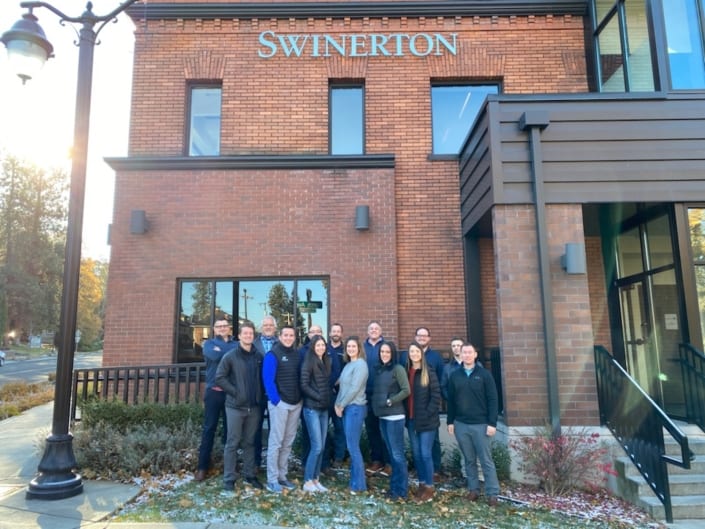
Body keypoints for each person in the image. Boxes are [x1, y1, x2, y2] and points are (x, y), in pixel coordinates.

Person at [446, 343, 500, 506]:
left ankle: (492, 493)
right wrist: (450, 421)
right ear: (460, 355)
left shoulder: (484, 375)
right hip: (461, 424)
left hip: (481, 424)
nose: (467, 355)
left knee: (486, 460)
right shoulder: (455, 376)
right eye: (464, 352)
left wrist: (492, 423)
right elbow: (451, 401)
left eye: (470, 352)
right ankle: (473, 490)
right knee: (469, 459)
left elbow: (493, 399)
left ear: (475, 355)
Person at [215, 321, 264, 491]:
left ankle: (249, 475)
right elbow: (220, 377)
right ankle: (229, 478)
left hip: (254, 407)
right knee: (232, 442)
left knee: (250, 442)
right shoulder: (230, 356)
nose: (248, 336)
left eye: (251, 333)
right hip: (235, 407)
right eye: (245, 333)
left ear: (253, 336)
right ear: (239, 336)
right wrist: (235, 392)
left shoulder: (259, 357)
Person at [262, 325, 302, 493]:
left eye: (291, 335)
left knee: (287, 443)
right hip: (280, 404)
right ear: (280, 336)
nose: (288, 338)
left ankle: (282, 476)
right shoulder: (273, 354)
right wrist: (276, 401)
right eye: (285, 335)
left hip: (295, 403)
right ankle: (272, 479)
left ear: (294, 337)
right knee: (276, 442)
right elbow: (268, 380)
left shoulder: (297, 354)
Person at [195, 319, 235, 481]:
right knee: (209, 429)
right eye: (219, 326)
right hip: (213, 392)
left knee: (230, 431)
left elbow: (226, 356)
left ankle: (228, 467)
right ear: (214, 329)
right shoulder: (208, 344)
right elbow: (214, 355)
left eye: (225, 326)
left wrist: (222, 350)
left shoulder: (236, 343)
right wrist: (228, 351)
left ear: (229, 328)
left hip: (230, 393)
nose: (222, 328)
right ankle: (202, 468)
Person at [371, 341, 410, 501]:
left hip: (395, 417)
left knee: (397, 454)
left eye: (387, 352)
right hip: (383, 416)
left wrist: (390, 401)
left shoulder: (398, 369)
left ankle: (402, 490)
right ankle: (394, 488)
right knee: (392, 455)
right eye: (382, 352)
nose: (384, 354)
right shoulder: (380, 369)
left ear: (392, 353)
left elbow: (406, 390)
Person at [406, 340, 441, 503]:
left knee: (425, 453)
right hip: (411, 420)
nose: (414, 354)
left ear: (421, 353)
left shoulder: (429, 372)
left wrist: (427, 414)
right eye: (411, 351)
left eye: (417, 351)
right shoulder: (407, 371)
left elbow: (436, 396)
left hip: (427, 421)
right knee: (417, 454)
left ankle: (429, 486)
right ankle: (421, 483)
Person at [334, 336, 369, 493]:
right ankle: (355, 482)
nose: (351, 349)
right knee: (351, 446)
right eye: (348, 346)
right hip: (347, 407)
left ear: (359, 348)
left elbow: (354, 388)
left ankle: (359, 485)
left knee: (353, 447)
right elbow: (342, 386)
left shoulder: (361, 365)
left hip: (355, 408)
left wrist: (341, 405)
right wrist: (337, 403)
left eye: (354, 346)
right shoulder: (349, 364)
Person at [300, 335, 332, 493]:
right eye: (318, 345)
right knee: (316, 446)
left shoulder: (325, 361)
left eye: (323, 345)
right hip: (312, 408)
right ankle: (307, 481)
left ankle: (315, 479)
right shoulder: (308, 362)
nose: (321, 348)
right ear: (313, 347)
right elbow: (304, 385)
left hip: (324, 409)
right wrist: (318, 396)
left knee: (322, 446)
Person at [413, 326, 444, 477]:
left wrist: (432, 407)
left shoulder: (435, 357)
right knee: (418, 446)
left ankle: (435, 469)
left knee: (433, 441)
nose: (422, 338)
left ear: (429, 338)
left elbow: (440, 380)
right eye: (419, 335)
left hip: (429, 409)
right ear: (415, 337)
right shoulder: (409, 356)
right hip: (415, 410)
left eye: (424, 336)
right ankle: (422, 473)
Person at [252, 315, 279, 468]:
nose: (268, 327)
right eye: (265, 325)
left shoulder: (280, 343)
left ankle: (273, 463)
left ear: (275, 327)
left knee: (275, 429)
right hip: (257, 391)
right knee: (255, 428)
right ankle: (256, 462)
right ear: (261, 327)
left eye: (271, 325)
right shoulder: (253, 344)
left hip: (275, 392)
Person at [363, 320, 388, 475]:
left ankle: (389, 462)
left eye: (376, 328)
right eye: (371, 328)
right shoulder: (362, 347)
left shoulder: (386, 347)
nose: (373, 330)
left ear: (381, 331)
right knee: (372, 429)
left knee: (386, 430)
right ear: (367, 331)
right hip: (366, 394)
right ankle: (376, 461)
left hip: (382, 394)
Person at [324, 322, 346, 470]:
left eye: (338, 331)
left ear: (341, 334)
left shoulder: (346, 350)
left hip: (341, 395)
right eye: (334, 331)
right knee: (323, 428)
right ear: (330, 333)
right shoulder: (324, 349)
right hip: (326, 395)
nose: (336, 333)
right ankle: (325, 456)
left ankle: (339, 457)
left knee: (340, 428)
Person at [441, 337, 465, 401]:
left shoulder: (474, 365)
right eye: (453, 346)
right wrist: (450, 399)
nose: (456, 348)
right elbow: (443, 387)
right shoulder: (447, 368)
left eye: (458, 345)